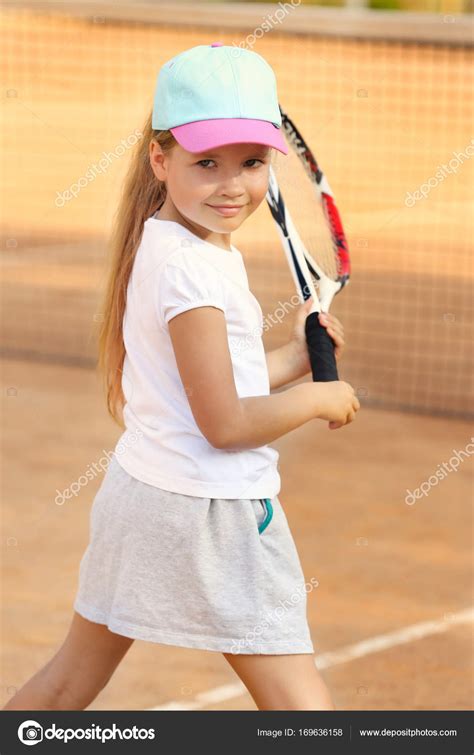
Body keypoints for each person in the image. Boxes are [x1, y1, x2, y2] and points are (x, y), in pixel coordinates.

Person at [4, 43, 359, 712]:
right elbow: (225, 424)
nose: (233, 185)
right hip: (212, 513)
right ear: (160, 160)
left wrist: (292, 359)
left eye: (252, 163)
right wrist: (318, 396)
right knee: (303, 710)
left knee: (66, 683)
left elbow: (206, 380)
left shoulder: (180, 244)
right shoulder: (192, 271)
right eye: (207, 164)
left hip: (146, 499)